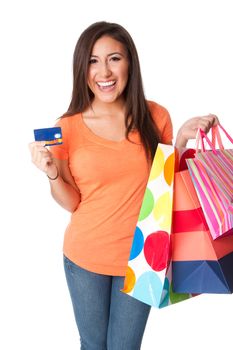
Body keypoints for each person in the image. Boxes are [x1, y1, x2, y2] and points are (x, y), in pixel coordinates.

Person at [29, 21, 219, 350]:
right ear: (82, 68)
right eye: (93, 60)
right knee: (92, 345)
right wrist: (52, 173)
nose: (104, 71)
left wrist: (182, 141)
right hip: (85, 255)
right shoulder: (67, 127)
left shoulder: (155, 116)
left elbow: (164, 191)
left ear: (129, 61)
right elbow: (72, 201)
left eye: (114, 58)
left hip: (142, 257)